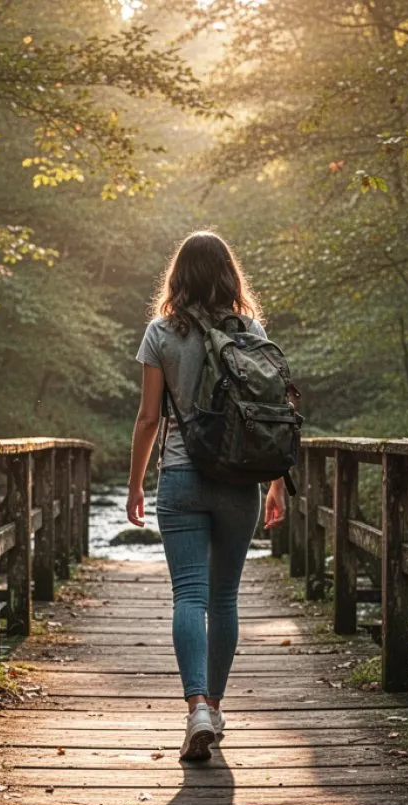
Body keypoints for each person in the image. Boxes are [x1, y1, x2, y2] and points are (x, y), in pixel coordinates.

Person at [126, 231, 288, 762]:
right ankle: (215, 706)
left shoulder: (160, 333)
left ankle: (195, 706)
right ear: (228, 273)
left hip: (181, 475)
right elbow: (270, 413)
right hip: (241, 480)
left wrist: (134, 485)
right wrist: (276, 482)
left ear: (178, 275)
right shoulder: (251, 329)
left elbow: (149, 418)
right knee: (224, 599)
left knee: (189, 597)